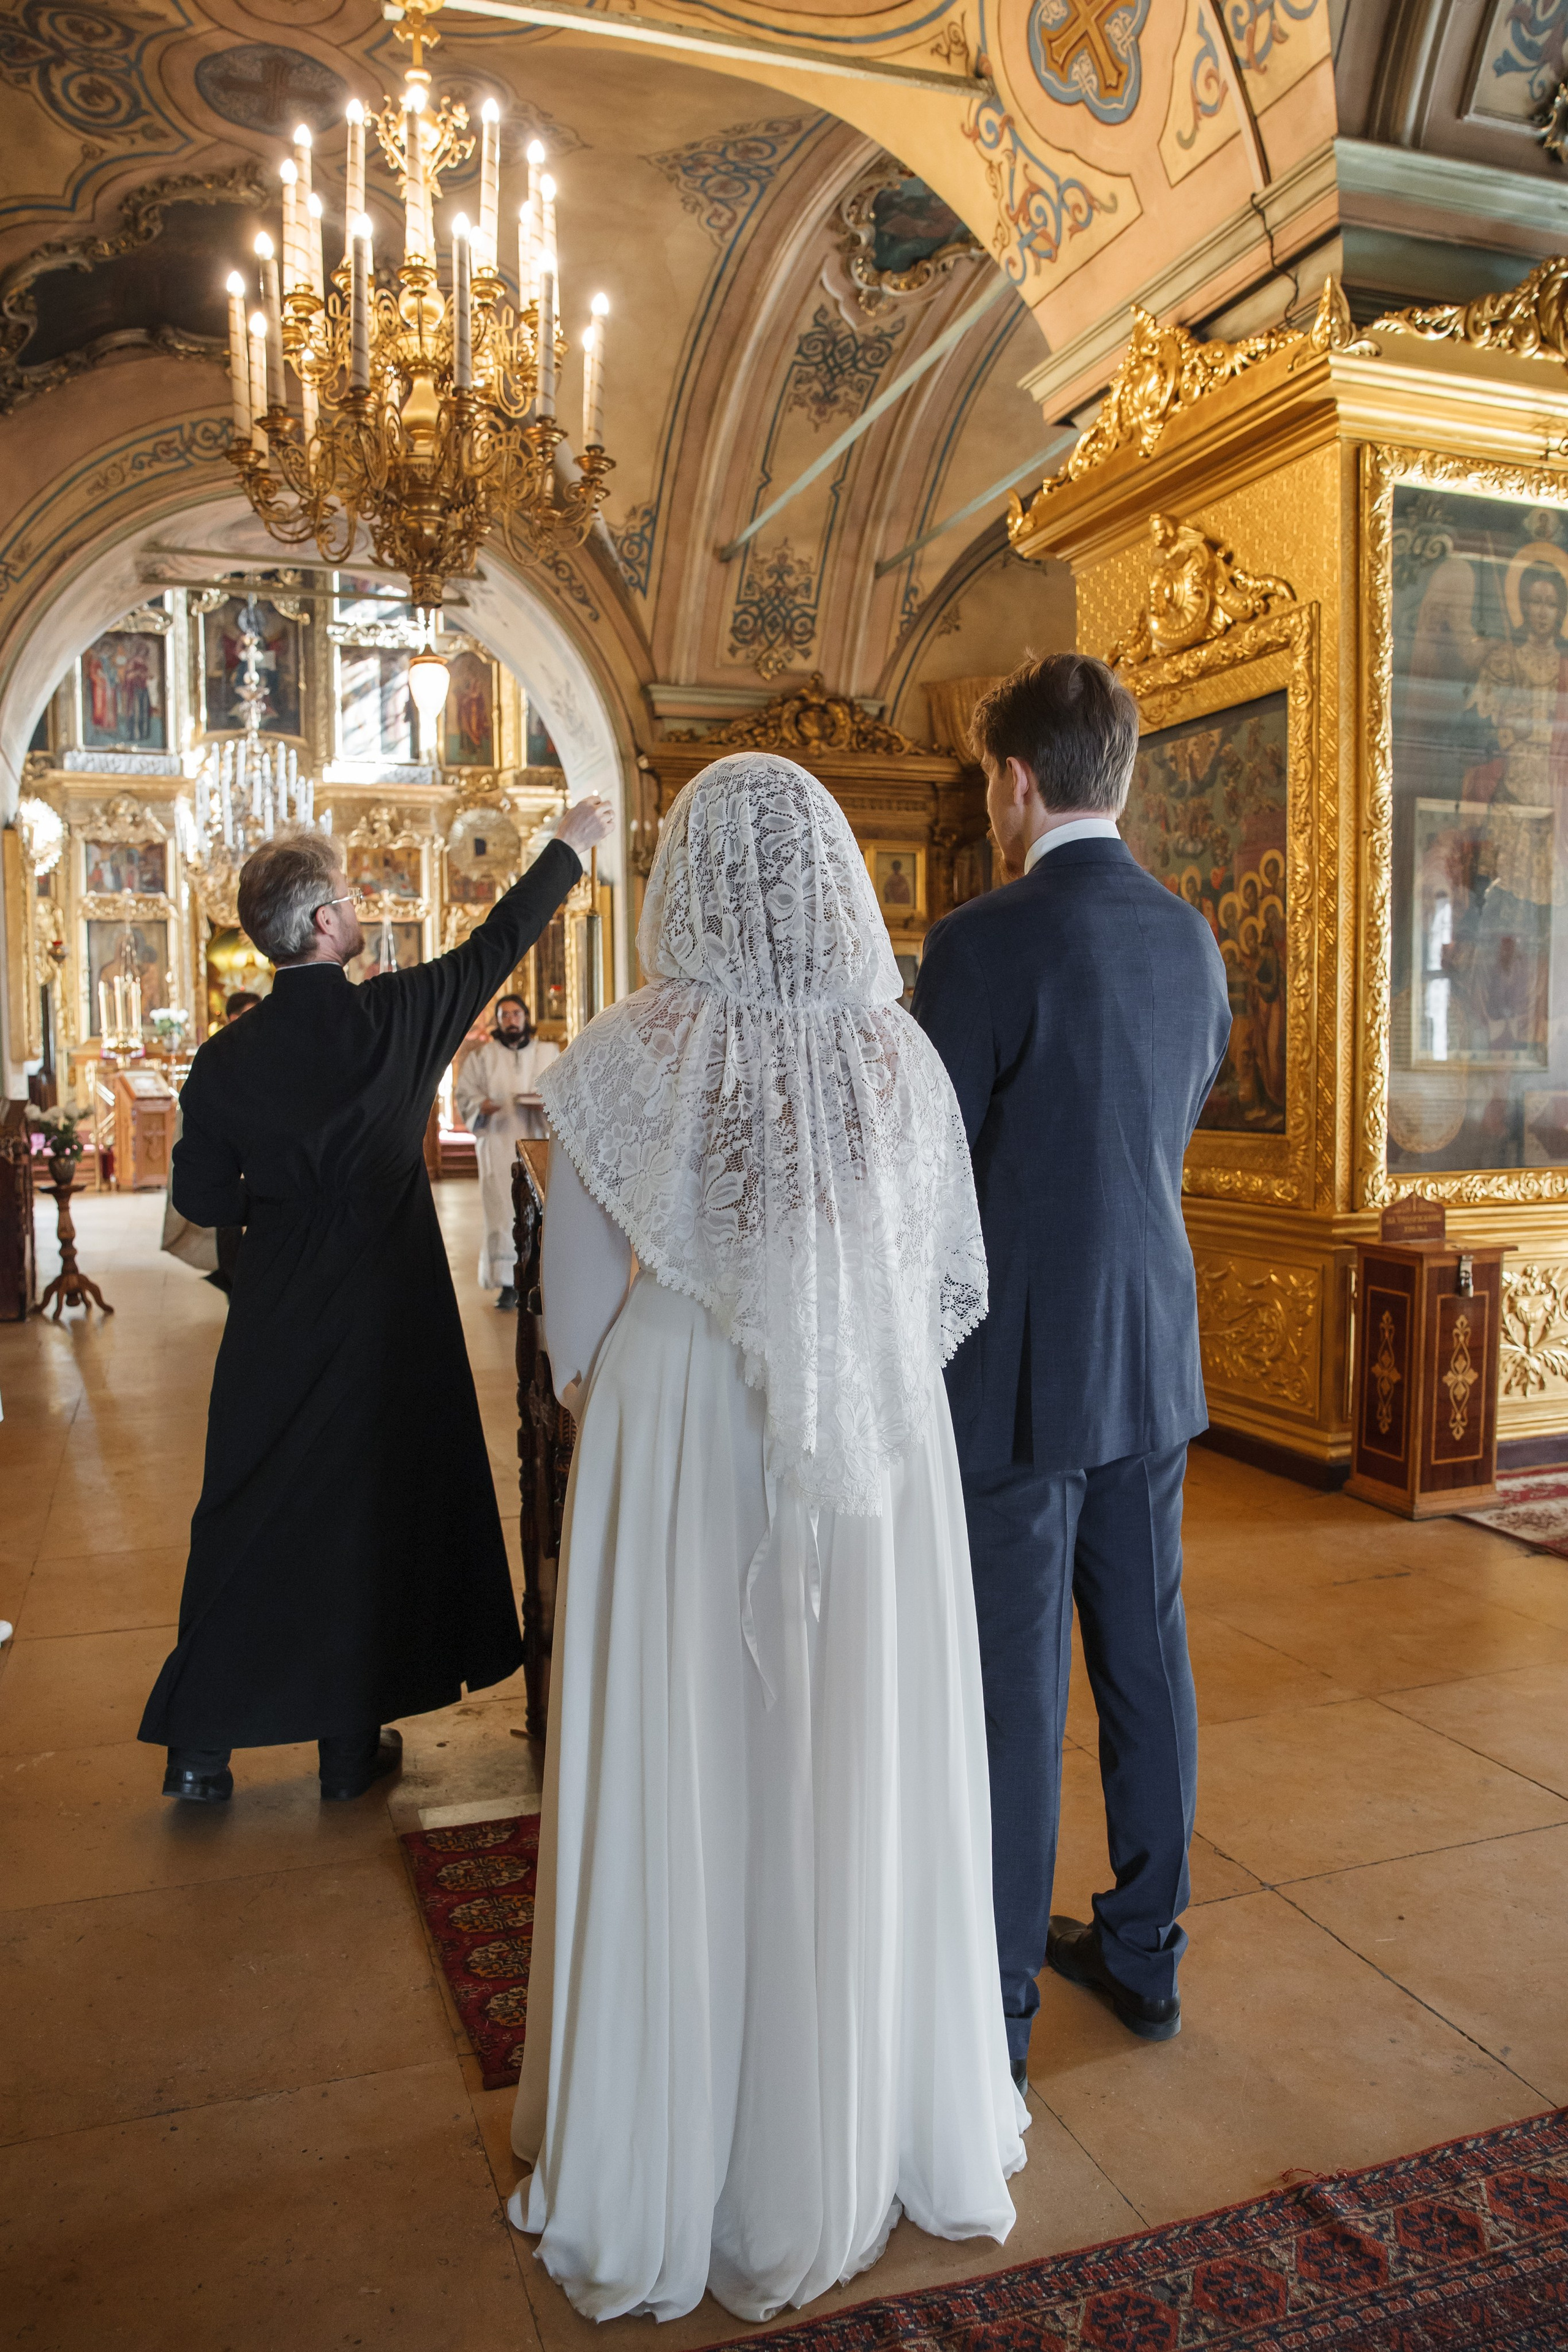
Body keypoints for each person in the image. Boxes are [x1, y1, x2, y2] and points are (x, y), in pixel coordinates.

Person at [507, 752, 1025, 2325]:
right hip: (866, 1429)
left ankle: (668, 2148)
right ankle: (850, 2125)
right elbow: (928, 1277)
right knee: (849, 1752)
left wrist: (633, 1391)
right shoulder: (898, 1059)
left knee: (689, 1752)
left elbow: (574, 1321)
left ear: (690, 881)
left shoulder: (615, 1058)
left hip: (677, 1421)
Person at [139, 802, 611, 1804]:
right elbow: (500, 942)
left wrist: (260, 1258)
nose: (357, 909)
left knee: (247, 1515)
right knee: (363, 1517)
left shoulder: (228, 1057)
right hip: (387, 1325)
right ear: (321, 928)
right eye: (347, 898)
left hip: (275, 1320)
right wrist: (568, 847)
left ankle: (200, 1751)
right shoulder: (394, 1019)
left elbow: (200, 1200)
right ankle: (348, 1751)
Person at [912, 653, 1230, 2068]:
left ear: (1017, 780)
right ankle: (1145, 1953)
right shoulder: (1190, 939)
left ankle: (996, 2001)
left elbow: (929, 1167)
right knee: (1144, 1658)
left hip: (1016, 1369)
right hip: (1149, 1349)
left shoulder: (980, 940)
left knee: (1015, 1684)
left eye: (989, 779)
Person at [453, 993, 558, 1308]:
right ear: (498, 1021)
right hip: (498, 1143)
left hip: (537, 1139)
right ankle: (506, 1281)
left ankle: (542, 1277)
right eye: (504, 1015)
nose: (511, 1020)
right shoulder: (482, 1058)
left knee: (542, 1211)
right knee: (500, 1210)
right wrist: (481, 1105)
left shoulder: (548, 1052)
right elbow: (466, 1096)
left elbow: (564, 1092)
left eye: (516, 1014)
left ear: (526, 1017)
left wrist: (547, 1102)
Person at [160, 989, 263, 1291]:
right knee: (229, 1236)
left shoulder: (265, 1051)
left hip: (256, 1167)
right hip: (230, 1165)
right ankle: (233, 1282)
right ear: (233, 1018)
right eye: (249, 1014)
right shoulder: (218, 1054)